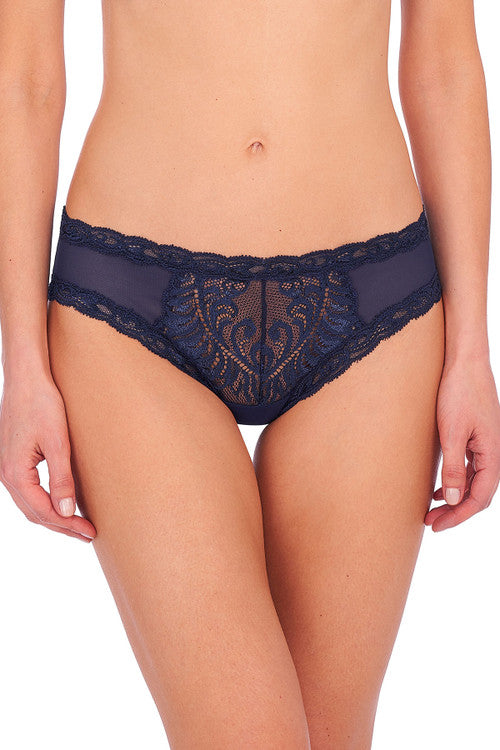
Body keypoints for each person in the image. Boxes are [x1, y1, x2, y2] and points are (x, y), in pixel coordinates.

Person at [0, 1, 499, 748]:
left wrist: (471, 353)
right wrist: (22, 366)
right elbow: (25, 78)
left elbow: (446, 68)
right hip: (131, 308)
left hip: (375, 310)